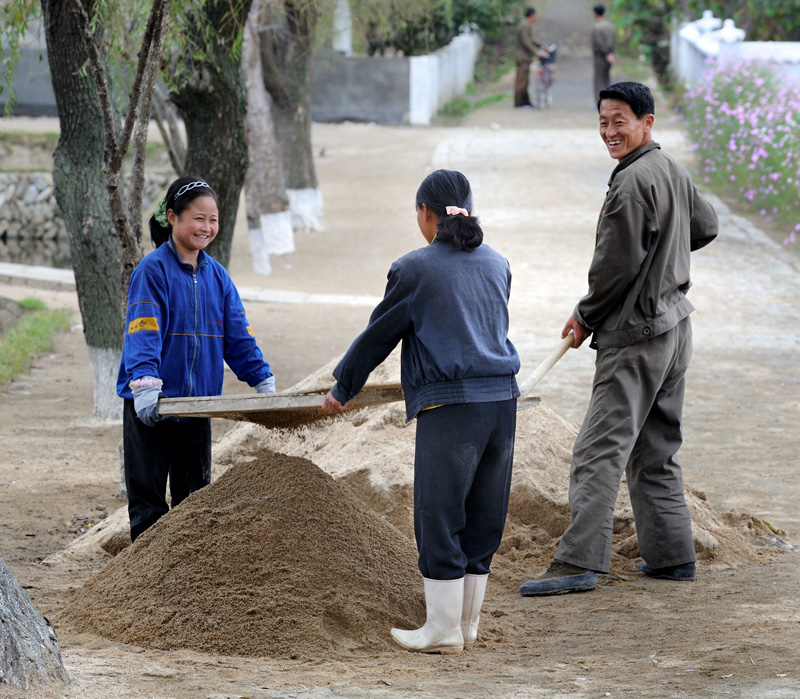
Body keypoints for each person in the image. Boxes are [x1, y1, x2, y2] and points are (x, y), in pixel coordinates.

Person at [519, 82, 718, 597]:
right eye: (603, 121)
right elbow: (706, 225)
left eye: (620, 121)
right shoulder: (670, 168)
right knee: (655, 449)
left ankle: (579, 562)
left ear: (647, 123)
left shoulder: (631, 183)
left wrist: (586, 315)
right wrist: (667, 248)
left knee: (597, 450)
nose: (610, 131)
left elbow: (613, 268)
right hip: (676, 330)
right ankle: (673, 557)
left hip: (636, 336)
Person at [322, 170, 520, 653]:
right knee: (482, 515)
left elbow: (379, 334)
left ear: (425, 214)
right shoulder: (498, 263)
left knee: (439, 514)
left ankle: (442, 630)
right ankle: (466, 627)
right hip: (502, 402)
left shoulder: (414, 268)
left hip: (452, 407)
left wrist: (343, 386)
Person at [117, 175, 275, 542]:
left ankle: (188, 587)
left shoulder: (218, 277)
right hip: (153, 406)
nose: (206, 227)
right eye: (197, 218)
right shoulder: (152, 271)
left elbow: (238, 336)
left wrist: (262, 380)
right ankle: (146, 584)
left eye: (213, 219)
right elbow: (143, 332)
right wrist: (143, 385)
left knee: (195, 503)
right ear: (172, 217)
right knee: (149, 507)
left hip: (196, 407)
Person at [514, 7, 547, 108]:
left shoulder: (526, 25)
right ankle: (519, 102)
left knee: (525, 81)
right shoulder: (524, 25)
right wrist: (537, 52)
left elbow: (531, 40)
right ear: (532, 15)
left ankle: (525, 102)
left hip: (525, 57)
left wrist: (542, 45)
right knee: (521, 81)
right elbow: (526, 42)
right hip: (522, 57)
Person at [591, 4, 616, 102]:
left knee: (599, 80)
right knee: (607, 79)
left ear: (595, 13)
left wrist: (606, 54)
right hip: (610, 56)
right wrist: (611, 54)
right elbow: (614, 41)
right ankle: (609, 101)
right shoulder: (610, 25)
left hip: (600, 57)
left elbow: (599, 43)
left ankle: (600, 102)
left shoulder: (597, 27)